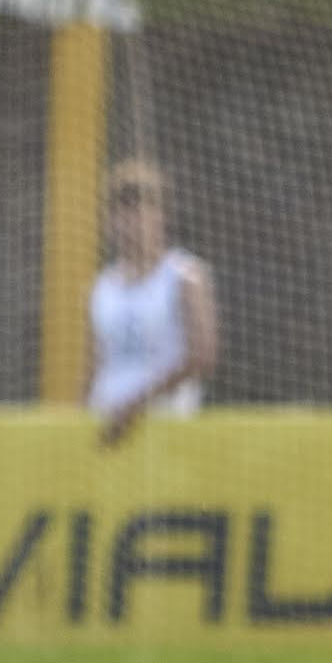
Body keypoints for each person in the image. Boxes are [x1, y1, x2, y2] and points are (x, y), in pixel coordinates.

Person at [85, 159, 220, 447]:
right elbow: (94, 365)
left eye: (143, 210)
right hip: (107, 429)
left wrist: (135, 406)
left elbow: (202, 355)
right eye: (124, 211)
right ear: (110, 221)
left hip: (167, 430)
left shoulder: (184, 276)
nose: (133, 222)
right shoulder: (102, 286)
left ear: (161, 216)